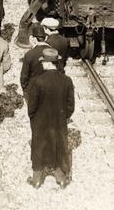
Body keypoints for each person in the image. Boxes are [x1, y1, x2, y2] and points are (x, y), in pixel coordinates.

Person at [27, 47, 75, 189]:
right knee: (59, 145)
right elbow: (70, 106)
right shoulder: (66, 80)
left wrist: (34, 119)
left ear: (44, 63)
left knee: (38, 146)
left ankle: (37, 180)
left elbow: (32, 107)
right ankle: (61, 179)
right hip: (59, 121)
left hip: (40, 121)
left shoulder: (37, 81)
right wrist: (63, 117)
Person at [20, 23, 49, 98]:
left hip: (34, 88)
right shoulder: (53, 51)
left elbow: (24, 76)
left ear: (34, 38)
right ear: (45, 38)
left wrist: (25, 88)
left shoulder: (30, 54)